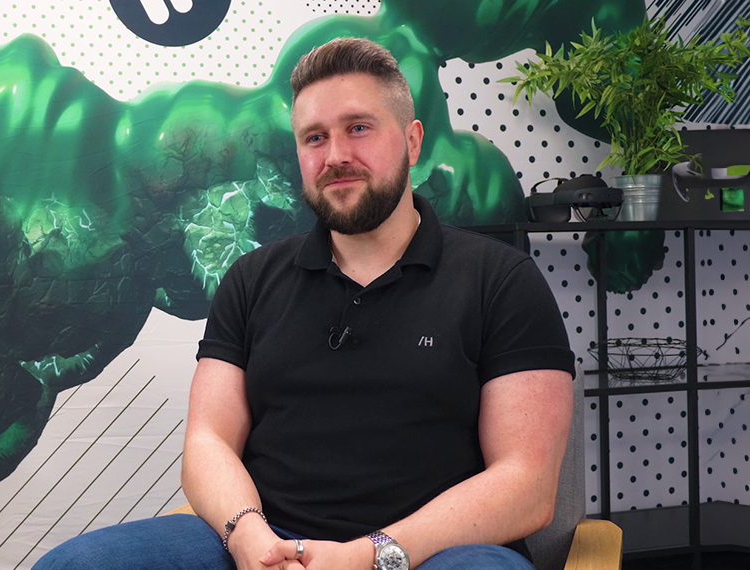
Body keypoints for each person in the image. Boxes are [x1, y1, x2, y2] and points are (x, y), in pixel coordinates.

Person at [33, 37, 574, 570]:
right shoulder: (251, 279)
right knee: (72, 566)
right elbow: (208, 441)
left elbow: (527, 486)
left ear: (412, 142)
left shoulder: (501, 281)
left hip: (434, 550)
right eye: (315, 137)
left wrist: (367, 556)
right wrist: (249, 538)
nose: (335, 156)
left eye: (358, 128)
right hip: (269, 542)